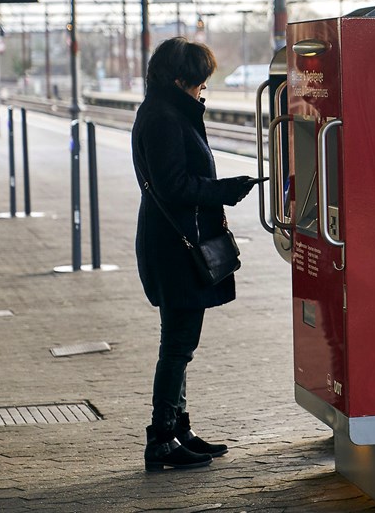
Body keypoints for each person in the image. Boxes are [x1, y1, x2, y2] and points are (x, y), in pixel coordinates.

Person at [131, 37, 258, 471]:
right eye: (199, 80)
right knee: (177, 346)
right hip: (175, 248)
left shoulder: (164, 110)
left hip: (171, 241)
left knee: (180, 343)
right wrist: (225, 190)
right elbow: (174, 186)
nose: (203, 88)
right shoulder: (165, 117)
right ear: (181, 78)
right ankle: (162, 439)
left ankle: (179, 429)